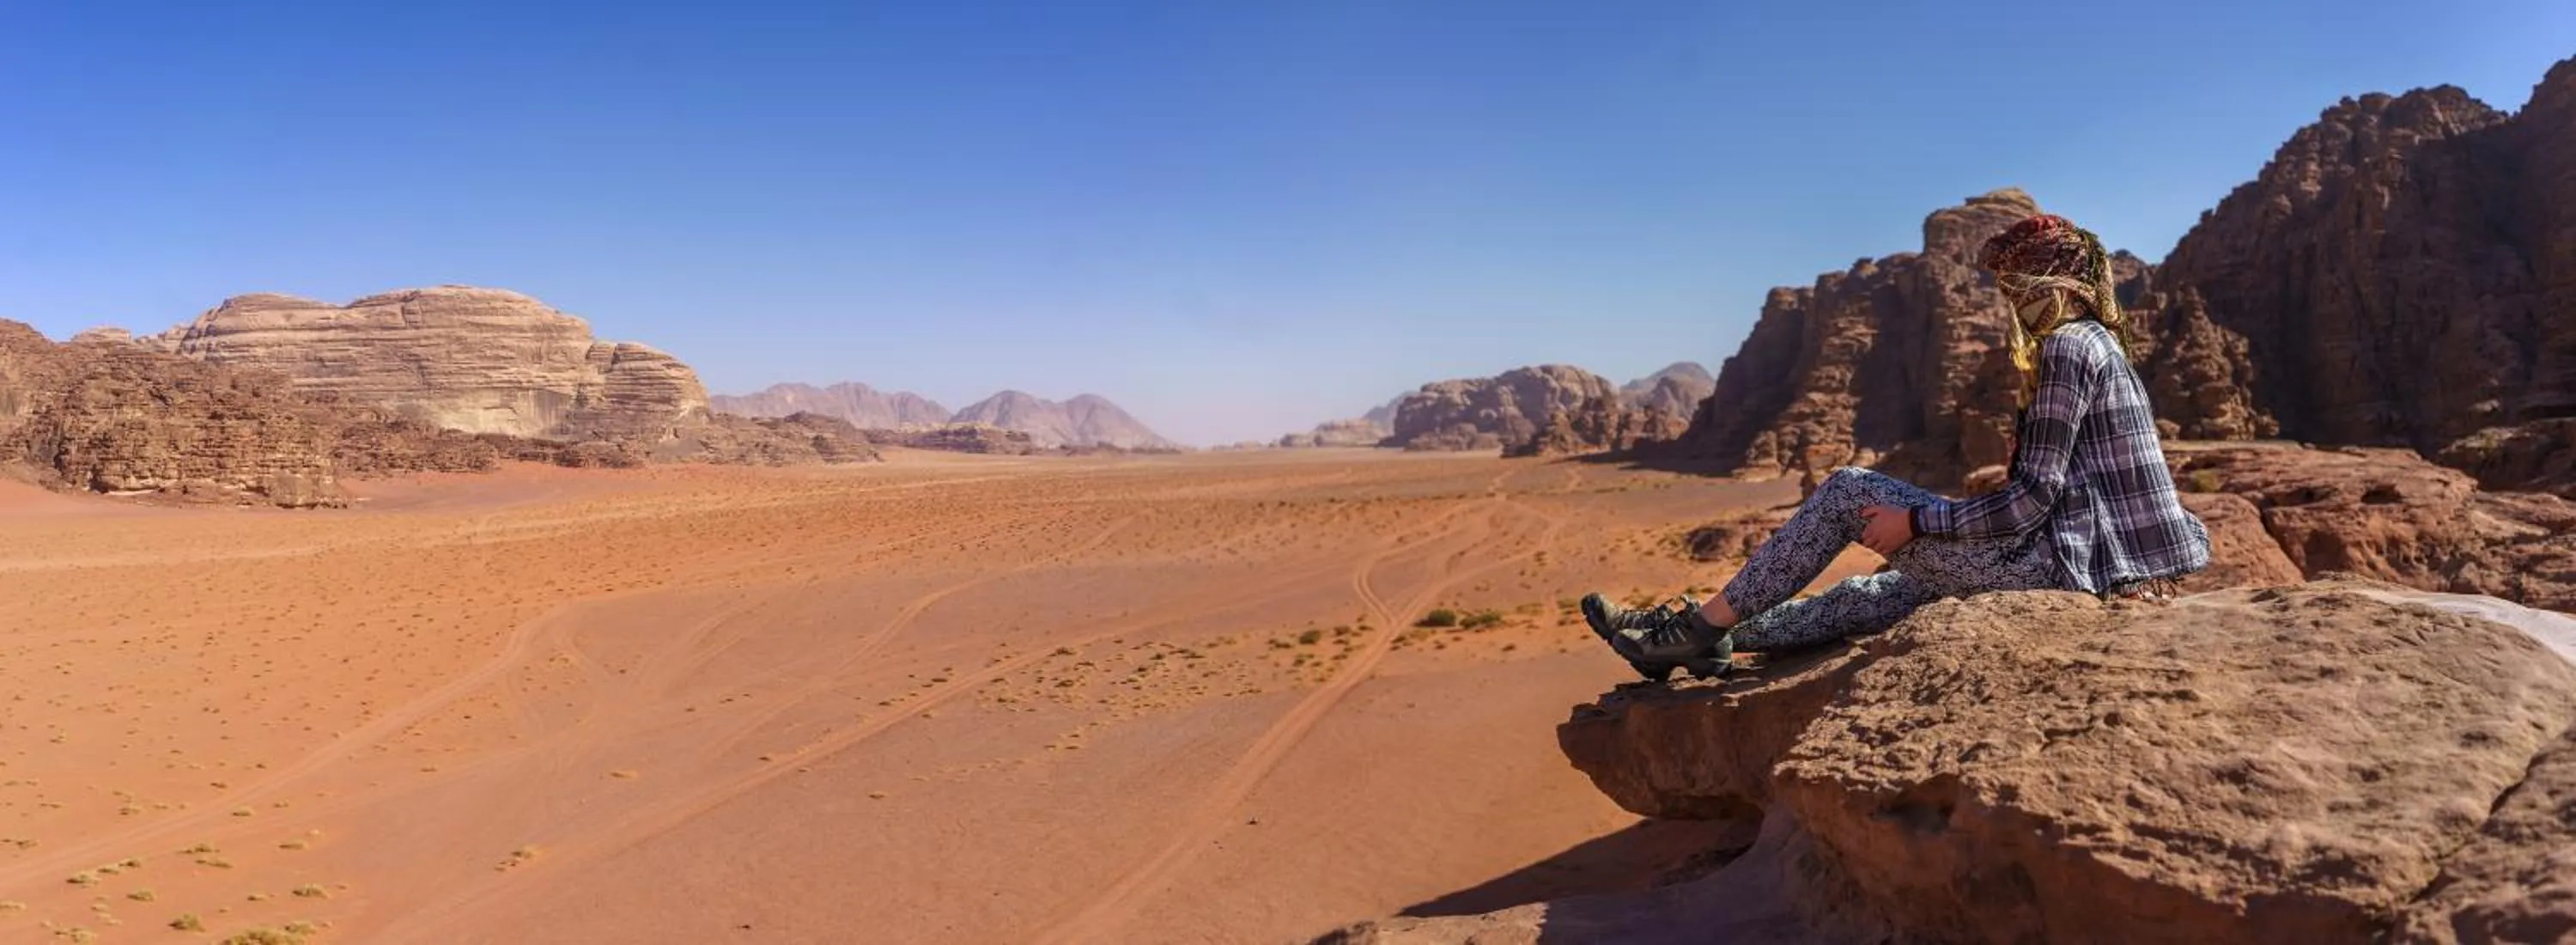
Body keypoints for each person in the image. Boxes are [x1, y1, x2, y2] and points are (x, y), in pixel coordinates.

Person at [1583, 212, 2211, 680]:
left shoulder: (2069, 347)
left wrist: (1914, 521)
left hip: (2068, 575)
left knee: (1848, 491)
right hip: (2110, 572)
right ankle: (1704, 633)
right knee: (1874, 595)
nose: (2013, 301)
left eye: (2021, 285)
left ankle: (1691, 632)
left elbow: (2029, 501)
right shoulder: (2102, 345)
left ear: (2061, 285)